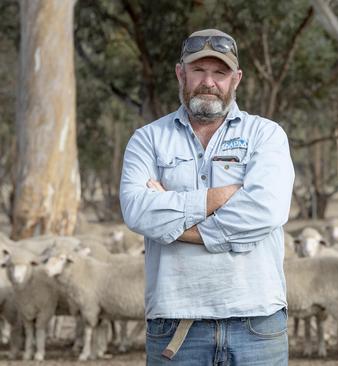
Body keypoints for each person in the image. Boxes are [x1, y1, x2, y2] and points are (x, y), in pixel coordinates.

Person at [119, 29, 294, 365]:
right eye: (199, 70)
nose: (208, 82)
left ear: (236, 79)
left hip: (256, 321)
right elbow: (137, 210)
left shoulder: (266, 134)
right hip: (174, 323)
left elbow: (266, 210)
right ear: (180, 72)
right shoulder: (148, 140)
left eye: (220, 73)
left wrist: (177, 224)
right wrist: (220, 197)